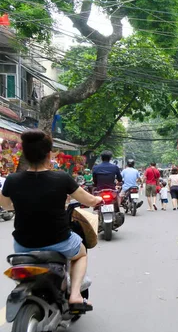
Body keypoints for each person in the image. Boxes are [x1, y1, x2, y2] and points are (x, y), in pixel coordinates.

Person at [0, 130, 102, 313]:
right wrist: (98, 200)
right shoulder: (61, 178)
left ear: (25, 154)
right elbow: (89, 200)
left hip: (23, 246)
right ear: (49, 154)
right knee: (81, 253)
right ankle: (76, 295)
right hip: (60, 242)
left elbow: (6, 206)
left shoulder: (12, 180)